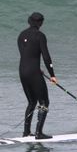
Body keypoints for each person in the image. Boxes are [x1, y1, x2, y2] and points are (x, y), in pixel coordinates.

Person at [18, 12, 57, 140]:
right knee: (44, 102)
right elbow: (46, 56)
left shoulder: (21, 35)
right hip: (33, 72)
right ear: (40, 23)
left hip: (22, 71)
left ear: (29, 21)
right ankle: (39, 133)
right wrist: (52, 75)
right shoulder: (40, 36)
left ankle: (26, 132)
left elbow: (26, 55)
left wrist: (35, 68)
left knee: (31, 102)